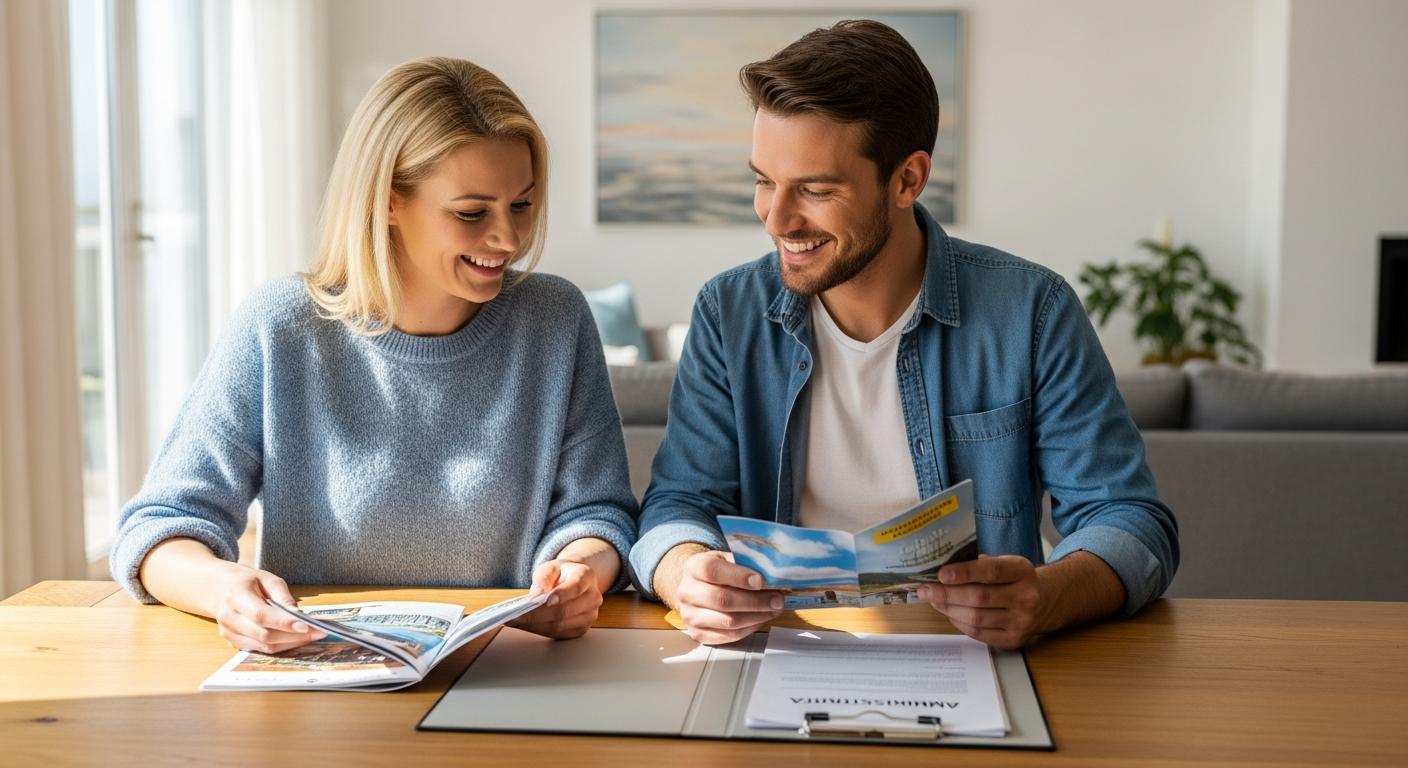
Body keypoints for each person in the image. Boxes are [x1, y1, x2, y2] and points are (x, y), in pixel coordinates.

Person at [631, 21, 1178, 650]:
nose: (776, 218)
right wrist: (684, 573)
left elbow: (1132, 521)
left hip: (976, 659)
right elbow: (677, 504)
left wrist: (1049, 596)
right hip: (780, 650)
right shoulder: (727, 312)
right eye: (763, 180)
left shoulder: (1032, 310)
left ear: (907, 180)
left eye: (814, 188)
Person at [111, 57, 637, 654]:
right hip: (322, 676)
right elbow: (158, 528)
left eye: (520, 205)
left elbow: (599, 514)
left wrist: (579, 574)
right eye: (471, 213)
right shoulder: (282, 325)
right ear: (388, 201)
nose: (509, 239)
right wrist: (224, 588)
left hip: (501, 671)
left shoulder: (555, 319)